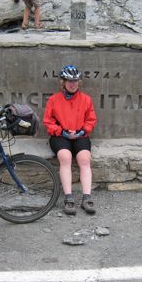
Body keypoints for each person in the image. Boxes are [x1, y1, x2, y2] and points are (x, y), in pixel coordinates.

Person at [43, 65, 97, 215]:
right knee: (65, 158)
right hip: (61, 136)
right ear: (63, 82)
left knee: (85, 159)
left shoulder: (86, 99)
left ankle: (87, 198)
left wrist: (83, 131)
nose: (72, 84)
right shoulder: (54, 100)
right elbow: (48, 121)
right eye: (69, 81)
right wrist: (62, 132)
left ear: (79, 82)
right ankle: (69, 198)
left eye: (75, 81)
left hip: (81, 135)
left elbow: (91, 120)